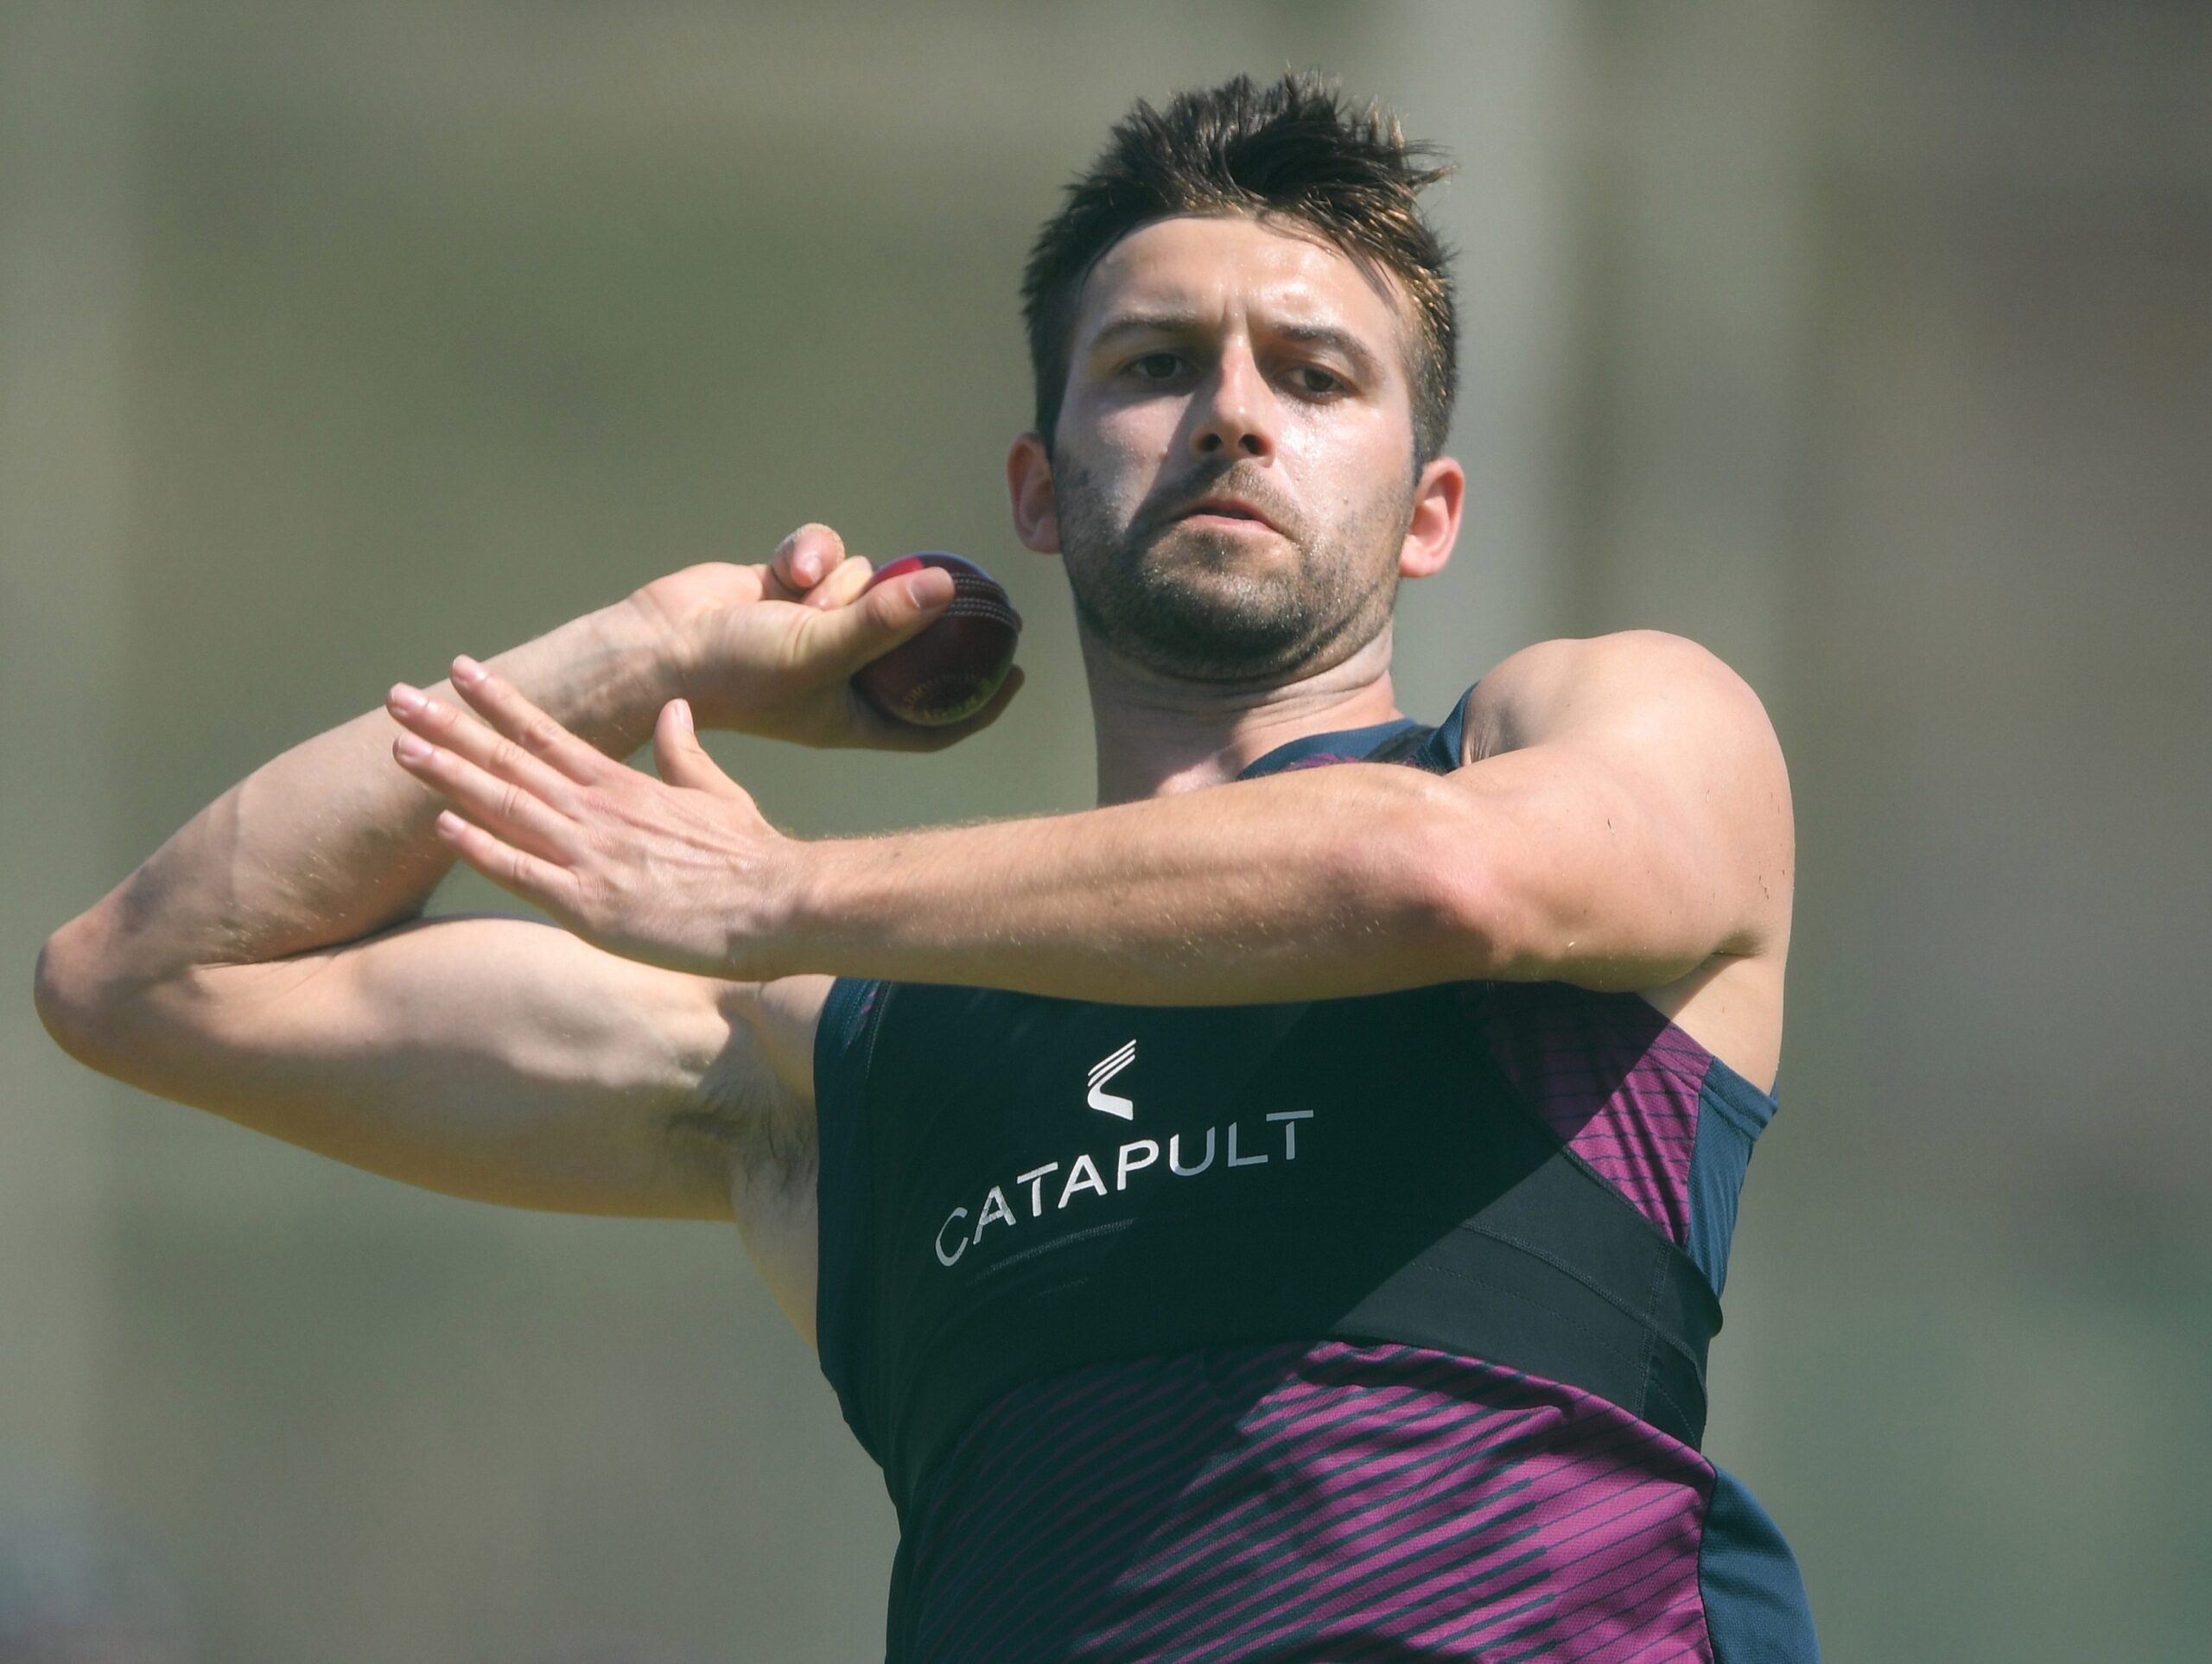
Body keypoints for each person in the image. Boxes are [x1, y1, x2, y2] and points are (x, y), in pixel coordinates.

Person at [34, 70, 1815, 1662]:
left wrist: (781, 897)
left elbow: (1445, 884)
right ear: (1038, 491)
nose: (1230, 413)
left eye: (1314, 372)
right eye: (1152, 363)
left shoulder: (1584, 730)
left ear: (1428, 512)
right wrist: (650, 653)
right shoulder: (852, 1049)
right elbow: (148, 982)